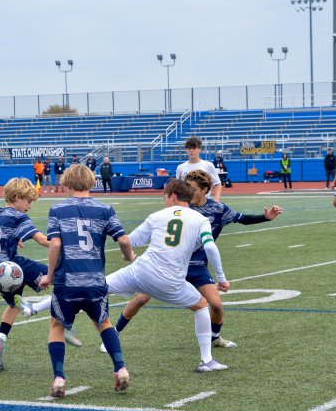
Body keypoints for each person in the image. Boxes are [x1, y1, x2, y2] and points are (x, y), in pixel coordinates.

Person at [105, 170, 283, 354]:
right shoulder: (180, 209)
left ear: (205, 190)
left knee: (216, 305)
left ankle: (214, 338)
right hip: (171, 267)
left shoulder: (218, 209)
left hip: (197, 267)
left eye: (193, 188)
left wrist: (266, 217)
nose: (189, 191)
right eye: (187, 187)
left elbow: (242, 219)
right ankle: (115, 332)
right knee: (141, 298)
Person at [105, 178, 230, 372]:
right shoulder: (200, 219)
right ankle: (206, 360)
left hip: (141, 271)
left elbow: (128, 240)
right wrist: (221, 278)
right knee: (201, 306)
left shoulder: (156, 216)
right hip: (171, 281)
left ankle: (40, 306)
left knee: (94, 287)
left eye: (164, 196)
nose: (164, 200)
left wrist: (127, 254)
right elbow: (210, 247)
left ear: (172, 196)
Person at [38, 164, 134, 397]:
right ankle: (120, 368)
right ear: (91, 182)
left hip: (67, 281)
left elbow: (56, 244)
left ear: (67, 183)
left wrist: (49, 275)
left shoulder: (58, 209)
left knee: (57, 326)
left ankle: (59, 378)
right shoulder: (105, 209)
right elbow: (123, 238)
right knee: (104, 324)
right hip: (95, 280)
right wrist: (127, 256)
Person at [0, 178, 79, 372]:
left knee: (14, 303)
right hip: (13, 266)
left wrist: (12, 241)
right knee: (62, 278)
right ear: (18, 198)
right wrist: (64, 244)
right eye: (28, 201)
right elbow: (43, 240)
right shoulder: (18, 217)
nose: (30, 207)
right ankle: (66, 324)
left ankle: (0, 340)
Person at [176, 137, 221, 202]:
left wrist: (217, 199)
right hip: (187, 203)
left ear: (199, 149)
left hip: (204, 203)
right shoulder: (180, 168)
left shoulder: (208, 165)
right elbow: (179, 187)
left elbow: (217, 183)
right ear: (186, 150)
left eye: (194, 148)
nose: (191, 150)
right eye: (189, 148)